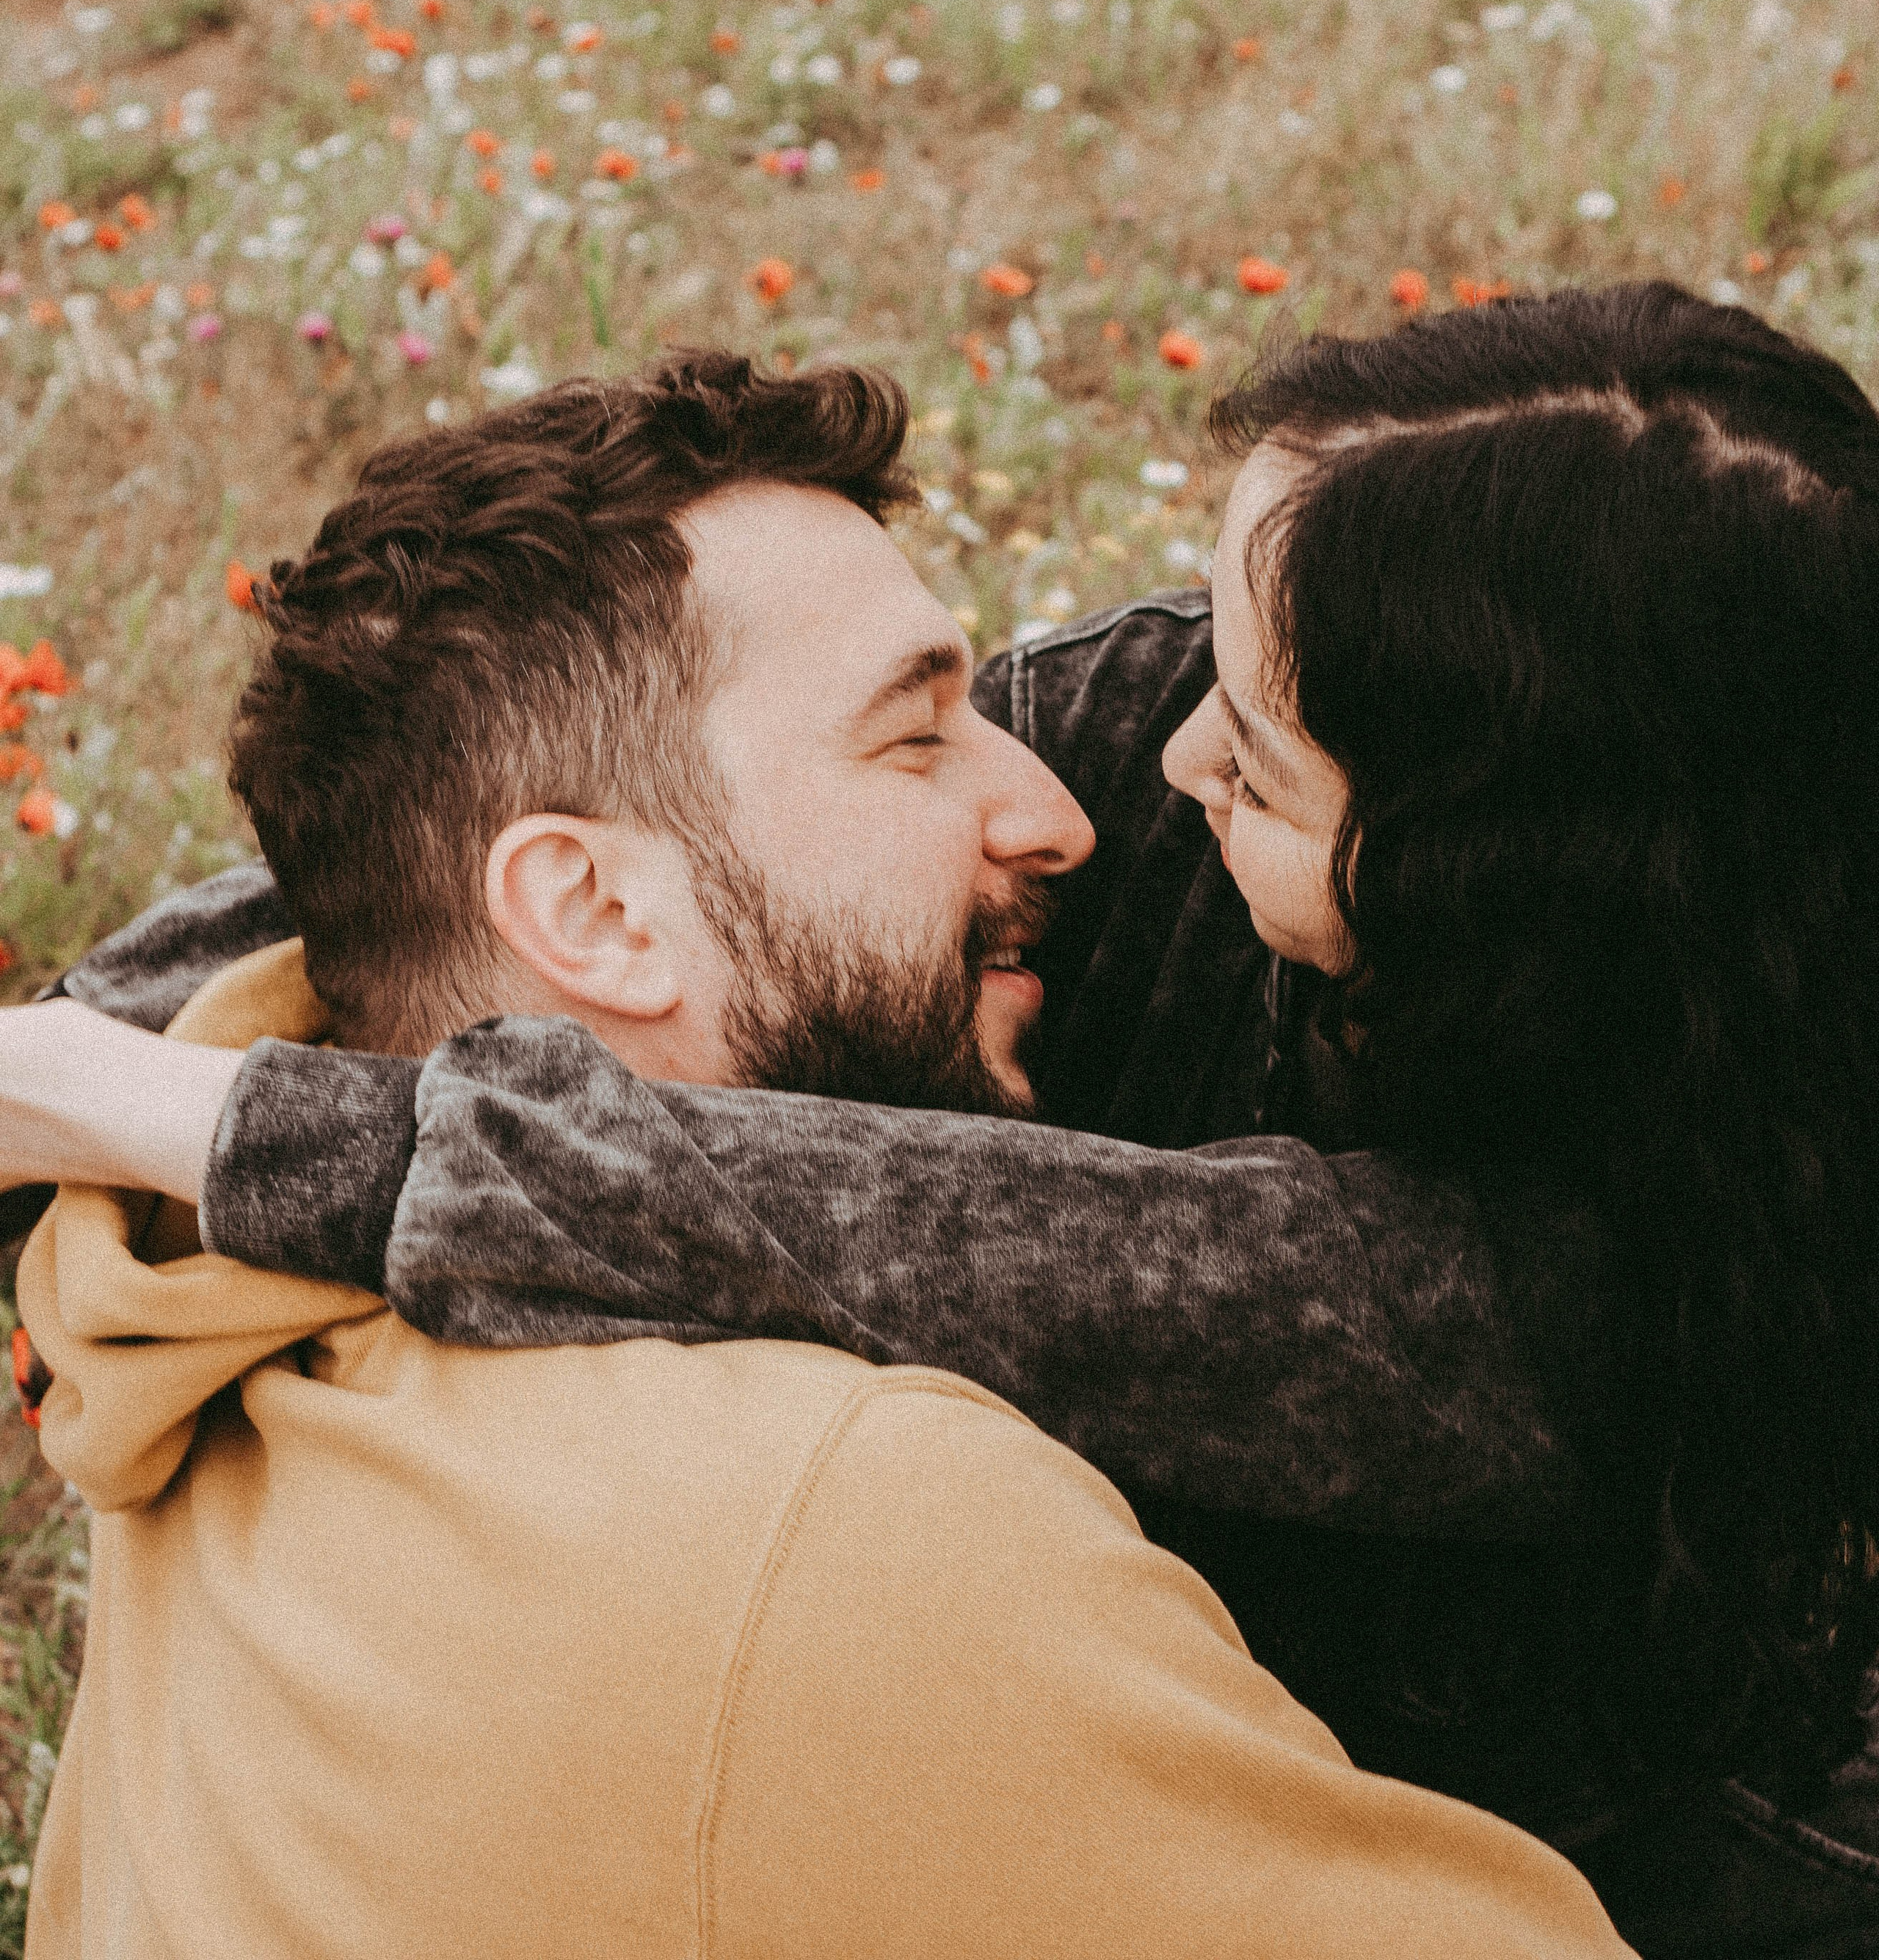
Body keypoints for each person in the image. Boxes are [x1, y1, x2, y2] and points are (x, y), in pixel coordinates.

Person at [16, 285, 1879, 1948]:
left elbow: (991, 1249)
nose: (1141, 769)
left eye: (1266, 755)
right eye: (1213, 657)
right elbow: (508, 813)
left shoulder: (1567, 1298)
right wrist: (99, 1023)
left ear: (1505, 898)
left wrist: (188, 1116)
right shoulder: (1227, 726)